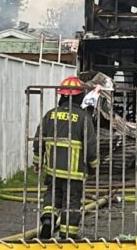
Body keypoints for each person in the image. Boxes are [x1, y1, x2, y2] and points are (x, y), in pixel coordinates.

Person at [33, 76, 98, 240]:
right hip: (74, 171)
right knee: (72, 201)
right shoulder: (84, 118)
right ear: (79, 96)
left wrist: (37, 162)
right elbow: (91, 146)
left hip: (53, 169)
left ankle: (48, 219)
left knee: (53, 195)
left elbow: (39, 139)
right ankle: (68, 235)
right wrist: (93, 166)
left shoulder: (50, 115)